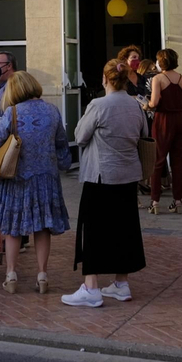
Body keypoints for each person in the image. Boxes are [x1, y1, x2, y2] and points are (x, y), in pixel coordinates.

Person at [64, 58, 147, 308]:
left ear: (105, 79)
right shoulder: (135, 105)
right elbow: (143, 135)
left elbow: (80, 137)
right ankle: (121, 283)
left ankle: (91, 287)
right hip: (128, 174)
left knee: (94, 229)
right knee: (125, 228)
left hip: (101, 174)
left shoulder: (98, 105)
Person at [0, 70, 70, 295]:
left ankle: (11, 274)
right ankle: (42, 275)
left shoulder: (12, 112)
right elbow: (62, 144)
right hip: (46, 178)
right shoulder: (52, 111)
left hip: (17, 178)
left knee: (13, 227)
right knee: (43, 227)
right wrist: (63, 163)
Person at [144, 48, 182, 214]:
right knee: (177, 161)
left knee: (158, 160)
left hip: (163, 120)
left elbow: (154, 102)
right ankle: (178, 200)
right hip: (180, 120)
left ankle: (155, 201)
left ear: (160, 62)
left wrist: (146, 105)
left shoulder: (158, 78)